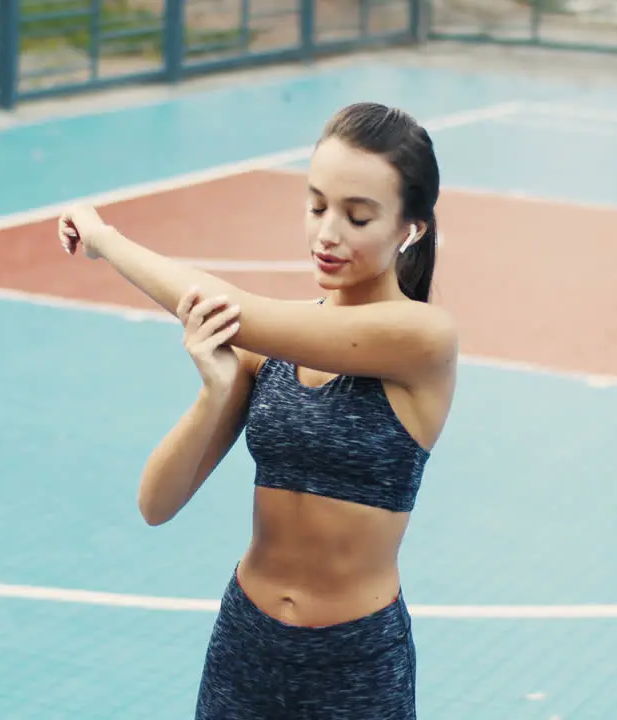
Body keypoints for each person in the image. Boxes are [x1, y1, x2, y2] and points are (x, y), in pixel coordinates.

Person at [58, 101, 458, 719]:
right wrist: (217, 391)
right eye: (317, 205)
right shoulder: (266, 354)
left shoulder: (421, 339)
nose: (328, 234)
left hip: (354, 666)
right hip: (246, 647)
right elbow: (155, 504)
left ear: (412, 228)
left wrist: (105, 241)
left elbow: (229, 307)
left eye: (357, 216)